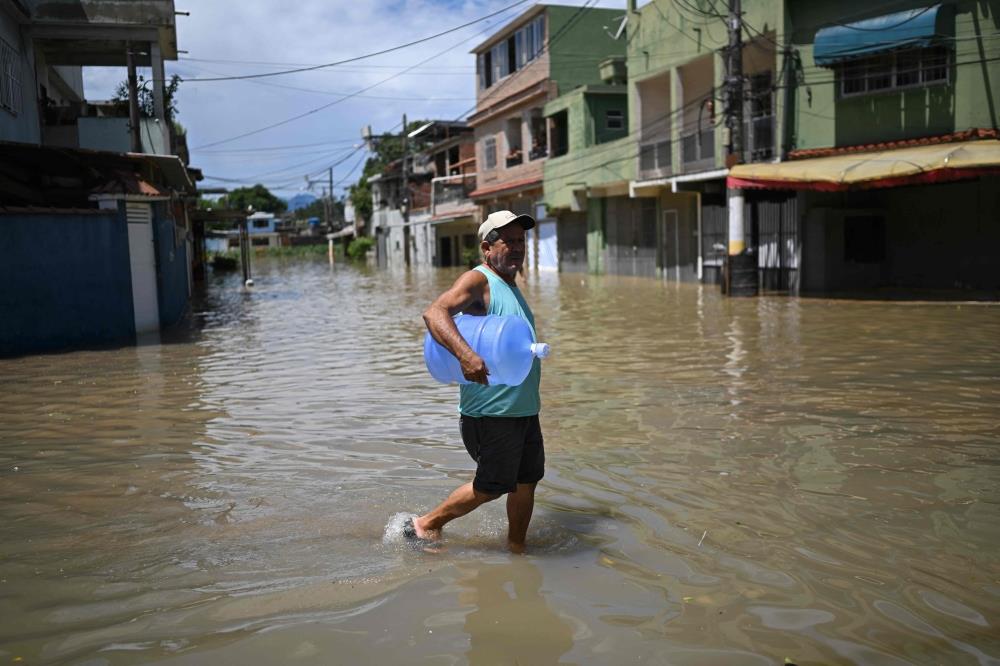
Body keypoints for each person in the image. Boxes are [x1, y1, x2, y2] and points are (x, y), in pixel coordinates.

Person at [406, 210, 543, 554]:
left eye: (520, 241)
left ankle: (516, 549)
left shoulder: (513, 285)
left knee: (526, 483)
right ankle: (426, 524)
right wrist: (465, 355)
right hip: (491, 413)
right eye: (507, 241)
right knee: (491, 486)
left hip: (524, 410)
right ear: (487, 247)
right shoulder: (479, 281)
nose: (516, 248)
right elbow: (434, 313)